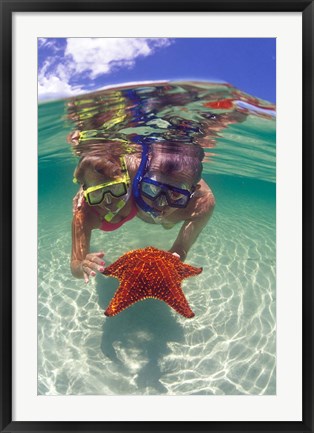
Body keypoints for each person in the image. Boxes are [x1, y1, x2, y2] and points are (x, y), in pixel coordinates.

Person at [71, 142, 215, 282]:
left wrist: (170, 264)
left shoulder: (202, 205)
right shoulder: (133, 169)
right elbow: (98, 168)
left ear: (192, 191)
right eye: (151, 189)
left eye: (176, 195)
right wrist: (87, 188)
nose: (161, 203)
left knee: (168, 223)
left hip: (170, 217)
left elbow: (180, 249)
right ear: (142, 174)